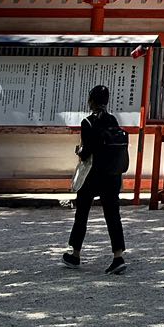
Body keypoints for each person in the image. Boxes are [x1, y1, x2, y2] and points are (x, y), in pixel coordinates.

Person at [63, 84, 127, 273]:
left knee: (82, 214)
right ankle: (118, 256)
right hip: (112, 175)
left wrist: (79, 151)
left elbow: (86, 152)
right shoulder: (113, 120)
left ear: (91, 101)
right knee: (113, 216)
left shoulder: (88, 123)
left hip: (93, 175)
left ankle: (75, 254)